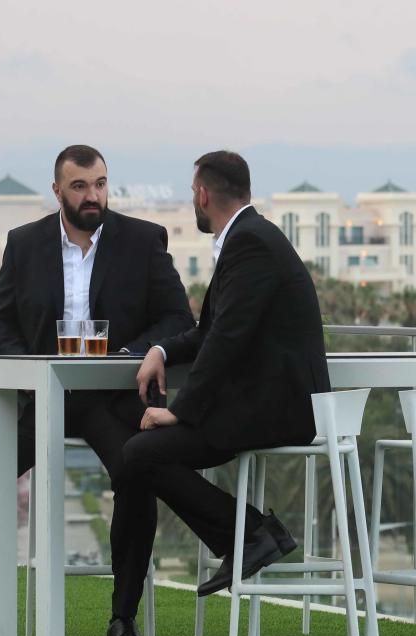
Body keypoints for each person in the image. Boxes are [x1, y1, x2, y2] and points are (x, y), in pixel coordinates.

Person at [0, 145, 194, 636]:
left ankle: (122, 620)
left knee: (137, 473)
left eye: (99, 184)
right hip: (43, 397)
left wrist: (131, 354)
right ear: (58, 191)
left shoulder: (142, 240)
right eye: (80, 186)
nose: (93, 196)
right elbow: (1, 323)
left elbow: (178, 319)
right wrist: (26, 369)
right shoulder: (24, 245)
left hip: (115, 399)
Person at [123, 150, 331, 597]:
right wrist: (160, 349)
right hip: (264, 403)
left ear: (202, 194)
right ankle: (250, 536)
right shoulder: (248, 237)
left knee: (141, 454)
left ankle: (252, 535)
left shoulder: (250, 242)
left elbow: (227, 338)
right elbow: (208, 333)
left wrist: (181, 413)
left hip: (275, 410)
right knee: (142, 452)